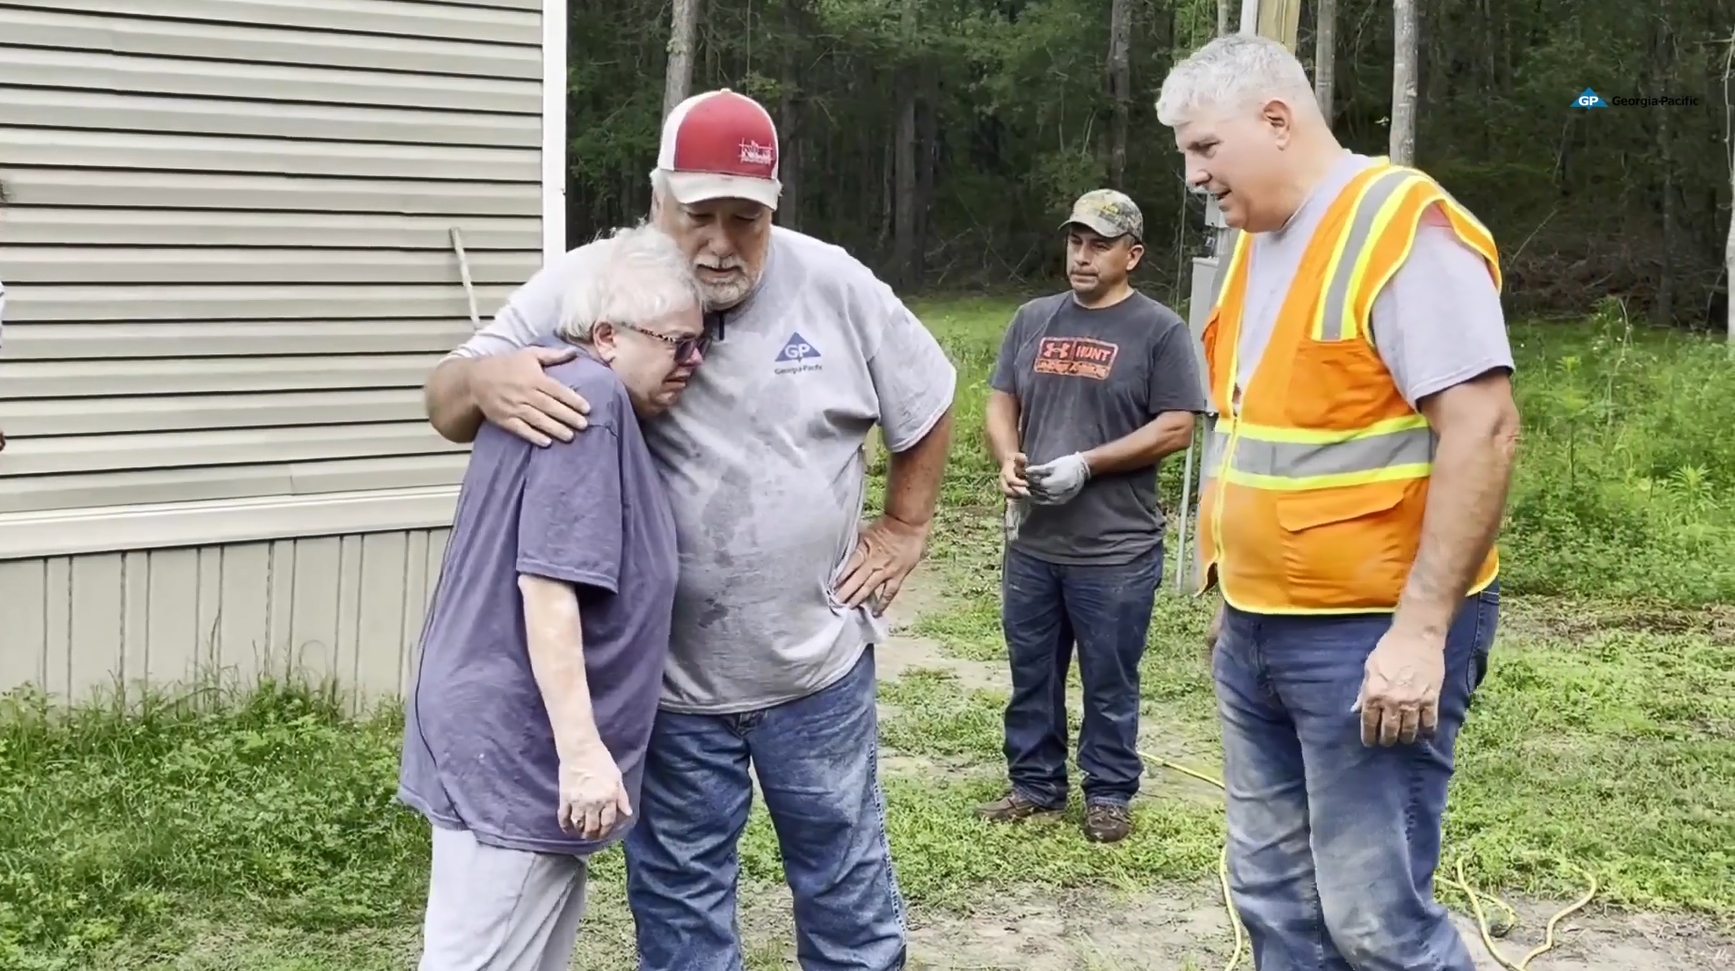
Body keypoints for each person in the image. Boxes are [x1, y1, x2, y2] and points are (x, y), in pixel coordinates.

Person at [421, 88, 956, 971]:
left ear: (774, 207)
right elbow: (443, 398)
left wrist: (906, 526)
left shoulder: (833, 284)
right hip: (663, 692)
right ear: (656, 197)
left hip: (810, 667)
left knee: (846, 888)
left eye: (744, 219)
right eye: (697, 215)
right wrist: (481, 384)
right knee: (679, 904)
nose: (718, 242)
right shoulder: (598, 284)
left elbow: (927, 395)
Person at [1156, 35, 1519, 971]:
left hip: (1368, 638)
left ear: (1276, 121)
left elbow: (1481, 431)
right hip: (1258, 629)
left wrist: (1419, 635)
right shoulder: (1255, 245)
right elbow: (1253, 435)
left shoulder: (1397, 226)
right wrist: (1234, 599)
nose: (1193, 175)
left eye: (1204, 148)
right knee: (1275, 901)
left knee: (1375, 924)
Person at [397, 223, 707, 971]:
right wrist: (582, 755)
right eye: (677, 343)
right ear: (607, 334)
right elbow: (548, 585)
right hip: (519, 745)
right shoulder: (587, 400)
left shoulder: (550, 383)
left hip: (501, 733)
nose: (694, 362)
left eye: (702, 342)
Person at [976, 189, 1206, 844]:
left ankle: (1107, 790)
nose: (1081, 255)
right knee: (1031, 671)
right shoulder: (1033, 318)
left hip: (1114, 548)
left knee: (1108, 678)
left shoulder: (1158, 330)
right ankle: (1033, 784)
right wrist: (1008, 456)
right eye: (1076, 241)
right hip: (1034, 543)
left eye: (1099, 244)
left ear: (1131, 254)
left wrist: (1088, 463)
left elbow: (1175, 427)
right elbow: (1001, 398)